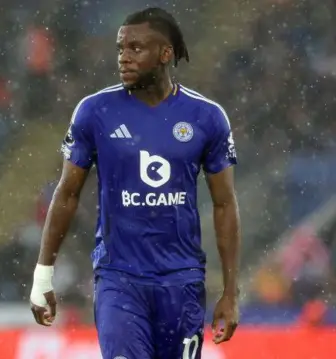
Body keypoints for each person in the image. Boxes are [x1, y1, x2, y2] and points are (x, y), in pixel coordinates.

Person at [29, 7, 241, 359]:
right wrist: (42, 275)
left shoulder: (207, 117)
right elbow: (66, 193)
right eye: (120, 48)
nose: (123, 58)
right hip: (119, 279)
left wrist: (231, 293)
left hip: (182, 281)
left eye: (135, 48)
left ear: (165, 54)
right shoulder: (95, 112)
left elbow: (224, 204)